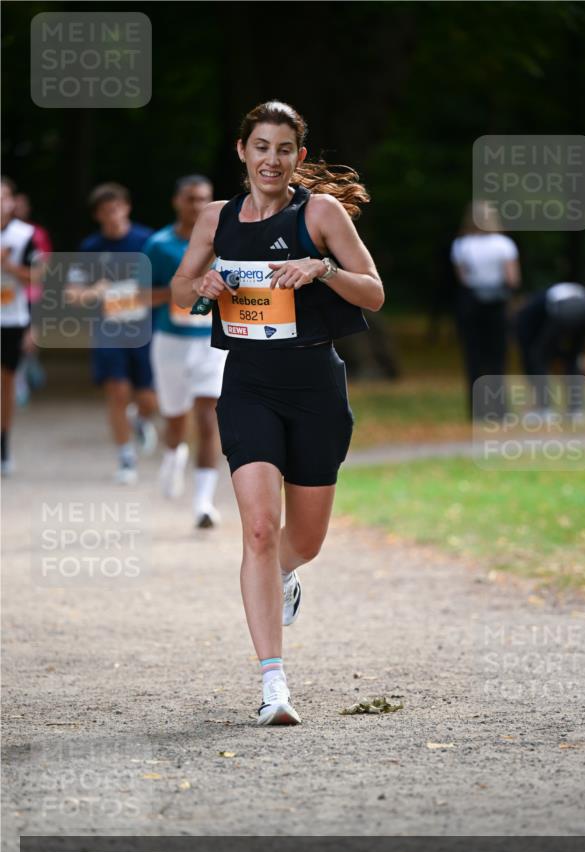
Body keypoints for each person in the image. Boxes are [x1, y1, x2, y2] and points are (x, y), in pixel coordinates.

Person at [171, 100, 384, 726]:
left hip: (316, 386)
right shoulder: (214, 219)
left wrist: (322, 269)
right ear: (242, 151)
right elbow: (183, 288)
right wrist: (202, 285)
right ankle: (274, 685)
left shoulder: (319, 212)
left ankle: (285, 573)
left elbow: (372, 287)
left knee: (305, 541)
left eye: (284, 149)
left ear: (300, 157)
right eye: (261, 146)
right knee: (259, 529)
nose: (272, 159)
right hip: (249, 386)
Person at [145, 175, 226, 528]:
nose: (197, 205)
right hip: (171, 342)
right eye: (191, 199)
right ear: (177, 201)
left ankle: (203, 503)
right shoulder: (159, 245)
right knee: (175, 420)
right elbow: (140, 296)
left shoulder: (226, 241)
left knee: (208, 418)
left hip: (211, 341)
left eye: (204, 199)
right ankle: (173, 454)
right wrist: (186, 289)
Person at [67, 183, 157, 484]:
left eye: (116, 207)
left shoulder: (148, 241)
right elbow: (73, 294)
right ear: (98, 216)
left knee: (149, 399)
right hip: (109, 330)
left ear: (127, 207)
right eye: (106, 211)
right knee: (117, 392)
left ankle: (142, 419)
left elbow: (168, 286)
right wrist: (95, 291)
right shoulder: (91, 248)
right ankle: (125, 457)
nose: (113, 215)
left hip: (145, 329)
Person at [451, 201, 521, 421]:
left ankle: (476, 411)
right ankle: (499, 410)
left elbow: (462, 277)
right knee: (497, 357)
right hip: (497, 304)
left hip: (471, 302)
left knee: (473, 356)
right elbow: (512, 279)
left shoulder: (462, 244)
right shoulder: (504, 244)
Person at [0, 177, 40, 475]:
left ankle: (4, 447)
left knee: (5, 387)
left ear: (12, 202)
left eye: (3, 198)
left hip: (11, 319)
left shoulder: (24, 235)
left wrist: (9, 266)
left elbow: (38, 279)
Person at [515, 282, 585, 418]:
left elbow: (526, 336)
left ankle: (544, 409)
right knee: (574, 358)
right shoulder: (554, 292)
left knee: (537, 356)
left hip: (564, 311)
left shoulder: (532, 304)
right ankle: (576, 411)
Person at [12, 191, 51, 405]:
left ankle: (24, 375)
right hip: (7, 296)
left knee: (28, 340)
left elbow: (42, 266)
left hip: (30, 293)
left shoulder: (35, 233)